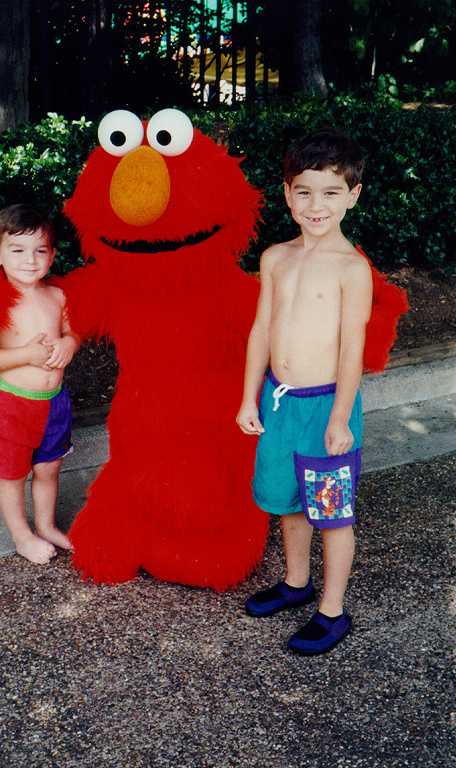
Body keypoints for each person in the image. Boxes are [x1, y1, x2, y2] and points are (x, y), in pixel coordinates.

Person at [236, 127, 373, 655]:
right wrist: (249, 396)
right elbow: (261, 332)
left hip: (325, 410)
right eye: (305, 192)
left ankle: (332, 612)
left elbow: (351, 350)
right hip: (279, 403)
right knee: (288, 502)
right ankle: (297, 583)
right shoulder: (275, 257)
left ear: (353, 196)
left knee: (332, 514)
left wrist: (341, 417)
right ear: (288, 192)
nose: (317, 205)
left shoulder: (351, 268)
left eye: (331, 192)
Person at [0, 204, 80, 564]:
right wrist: (27, 354)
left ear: (51, 256)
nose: (29, 260)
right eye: (17, 250)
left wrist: (69, 343)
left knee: (49, 467)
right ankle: (22, 535)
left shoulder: (58, 296)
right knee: (13, 473)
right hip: (13, 404)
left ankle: (47, 525)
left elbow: (73, 331)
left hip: (55, 401)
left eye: (40, 250)